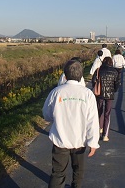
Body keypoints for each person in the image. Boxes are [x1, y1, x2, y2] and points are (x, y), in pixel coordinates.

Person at [43, 60, 100, 188]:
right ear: (80, 76)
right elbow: (93, 121)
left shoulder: (56, 92)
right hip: (79, 141)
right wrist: (93, 142)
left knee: (57, 173)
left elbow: (46, 114)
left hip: (60, 139)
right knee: (78, 171)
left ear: (65, 75)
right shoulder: (87, 94)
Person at [91, 57, 120, 142]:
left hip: (99, 93)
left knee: (99, 111)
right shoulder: (115, 71)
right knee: (107, 113)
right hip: (110, 94)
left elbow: (93, 81)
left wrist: (95, 88)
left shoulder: (98, 70)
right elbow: (117, 84)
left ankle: (99, 128)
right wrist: (113, 90)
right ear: (111, 62)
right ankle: (105, 135)